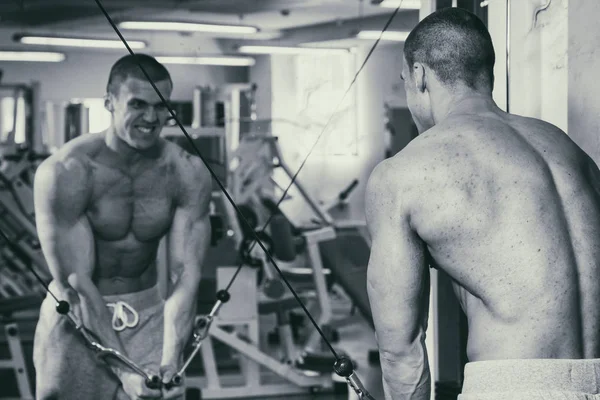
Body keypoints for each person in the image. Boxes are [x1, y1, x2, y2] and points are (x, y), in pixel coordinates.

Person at [365, 7, 600, 400]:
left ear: (420, 76)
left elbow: (400, 351)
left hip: (517, 388)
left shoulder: (403, 174)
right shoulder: (567, 150)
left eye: (405, 81)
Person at [32, 54, 212, 400]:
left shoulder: (187, 172)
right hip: (75, 320)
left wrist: (171, 359)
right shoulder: (66, 172)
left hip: (147, 315)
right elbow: (76, 283)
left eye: (162, 106)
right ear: (109, 103)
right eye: (138, 105)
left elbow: (184, 275)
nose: (151, 118)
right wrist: (123, 370)